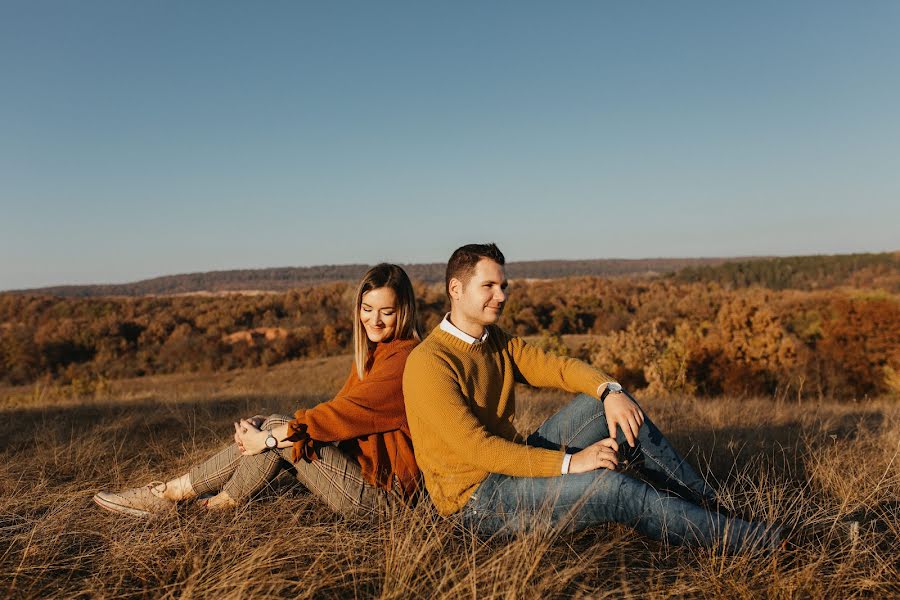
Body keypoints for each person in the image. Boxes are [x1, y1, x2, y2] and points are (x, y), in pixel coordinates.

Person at [402, 243, 781, 552]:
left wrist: (609, 390)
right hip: (477, 502)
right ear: (456, 289)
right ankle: (762, 543)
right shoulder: (429, 364)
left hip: (512, 467)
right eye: (489, 286)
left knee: (615, 408)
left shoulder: (495, 340)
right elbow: (481, 450)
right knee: (611, 488)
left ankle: (715, 512)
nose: (501, 296)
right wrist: (572, 462)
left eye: (504, 286)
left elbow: (559, 368)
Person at [94, 263, 423, 517]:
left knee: (278, 434)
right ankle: (202, 501)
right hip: (364, 479)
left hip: (384, 500)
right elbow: (343, 411)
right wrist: (269, 425)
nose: (374, 320)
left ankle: (174, 494)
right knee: (276, 426)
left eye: (386, 312)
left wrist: (267, 438)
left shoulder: (402, 360)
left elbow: (339, 417)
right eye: (367, 309)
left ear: (403, 311)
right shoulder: (376, 352)